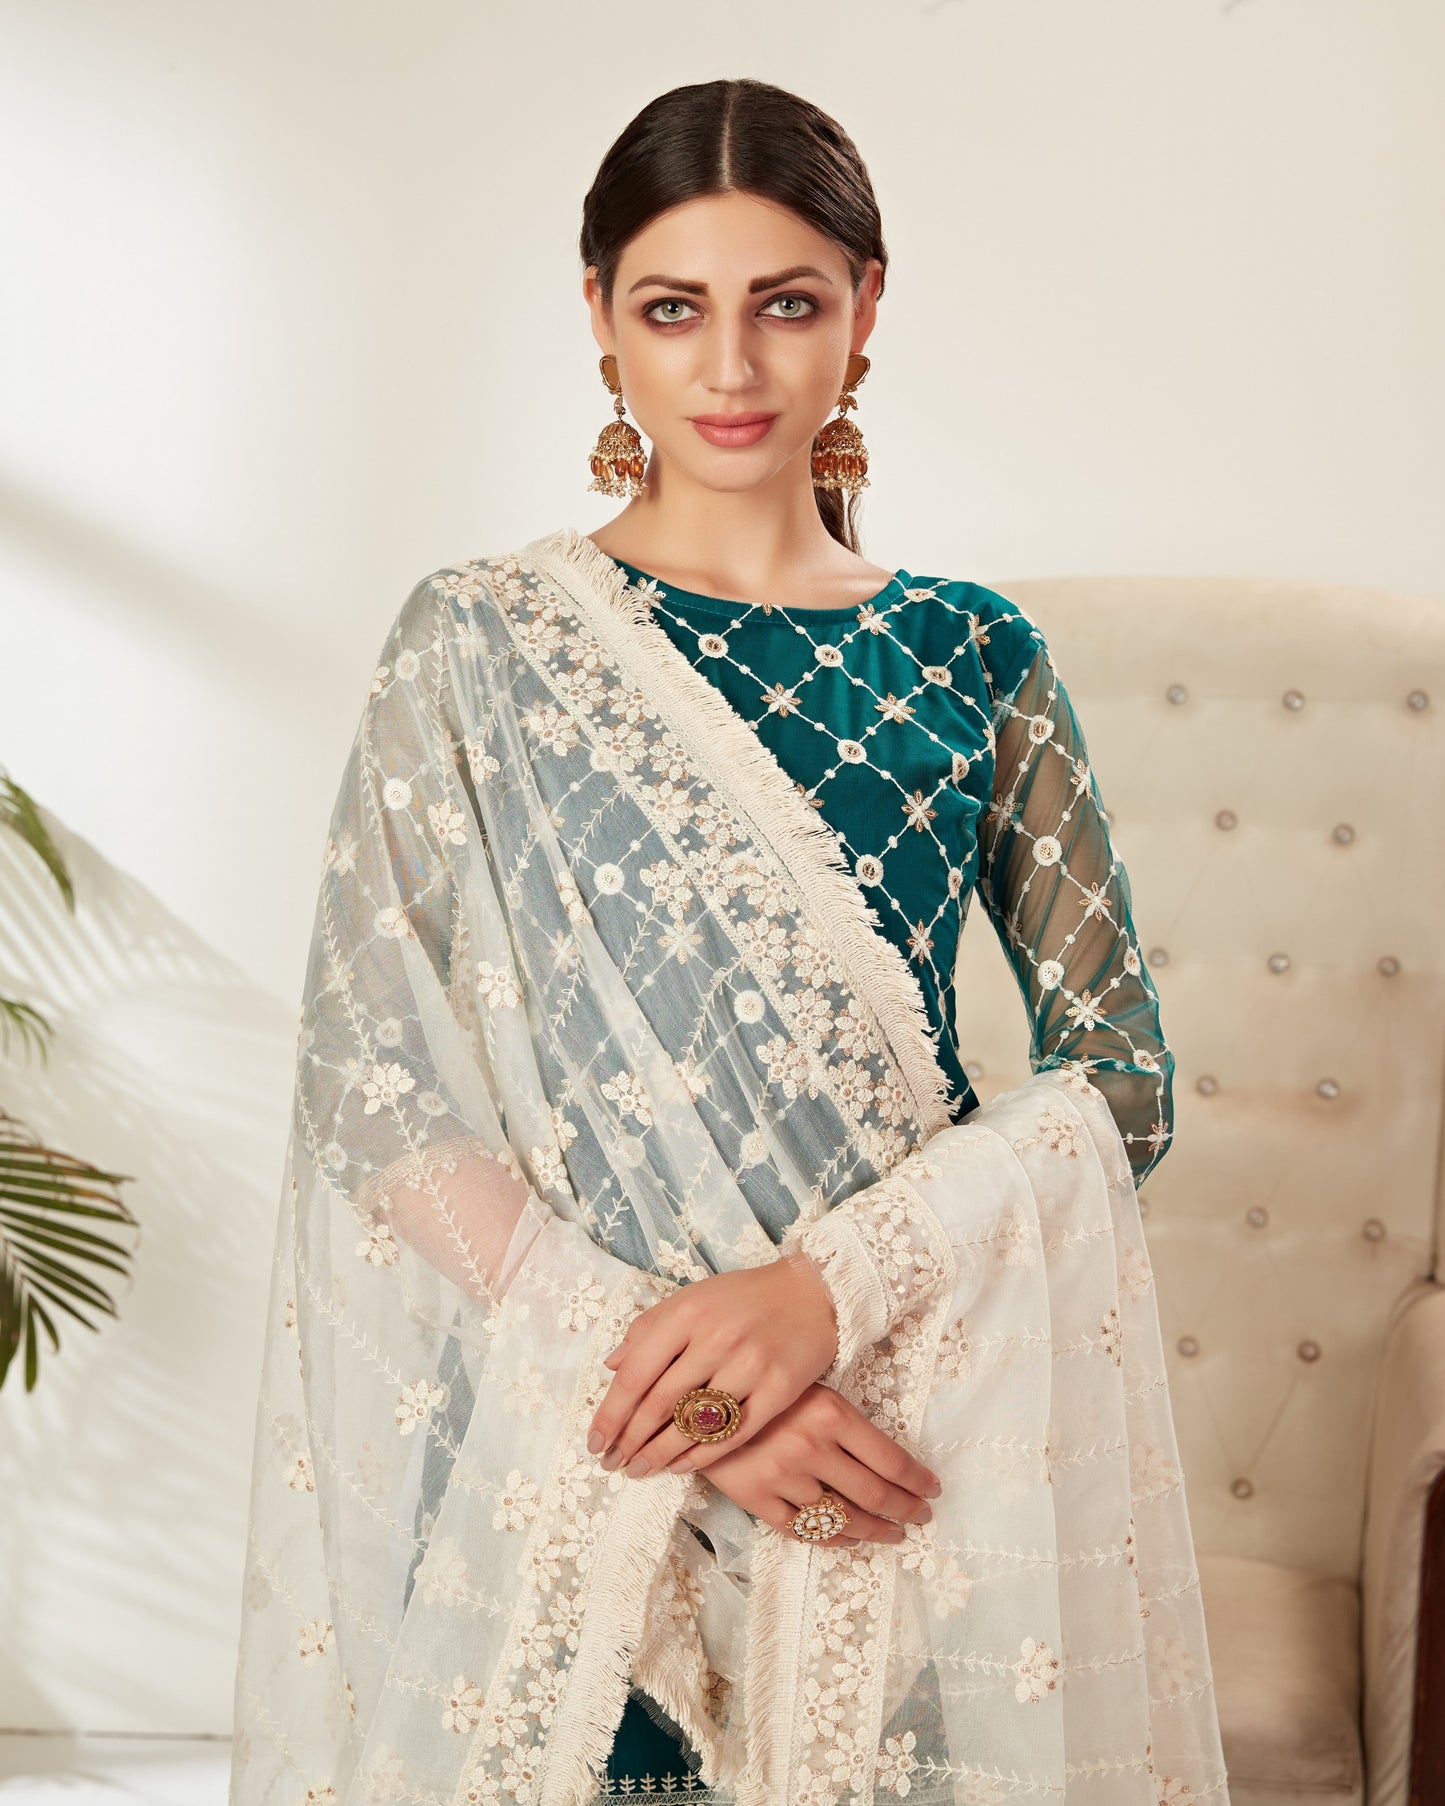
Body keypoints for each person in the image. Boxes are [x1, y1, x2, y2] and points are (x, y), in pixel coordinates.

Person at [230, 78, 1229, 1806]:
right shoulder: (477, 641)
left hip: (897, 1434)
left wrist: (822, 1297)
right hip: (570, 1426)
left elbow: (1117, 1075)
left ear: (865, 308)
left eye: (788, 302)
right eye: (671, 309)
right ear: (603, 329)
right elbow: (373, 1076)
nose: (733, 367)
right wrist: (685, 1382)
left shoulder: (968, 652)